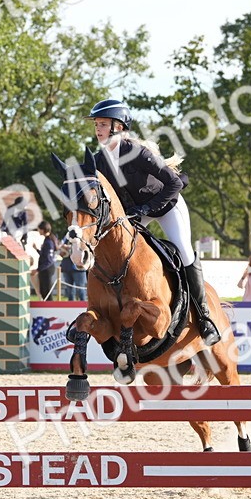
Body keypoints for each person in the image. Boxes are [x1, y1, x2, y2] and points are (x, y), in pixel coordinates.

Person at [87, 98, 220, 345]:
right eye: (97, 125)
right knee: (126, 251)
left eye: (103, 124)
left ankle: (204, 317)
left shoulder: (136, 152)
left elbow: (175, 183)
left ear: (118, 126)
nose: (98, 129)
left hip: (167, 205)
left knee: (184, 250)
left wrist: (146, 208)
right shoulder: (99, 160)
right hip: (137, 212)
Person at [35, 221, 59, 300]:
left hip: (47, 269)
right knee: (43, 292)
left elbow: (48, 260)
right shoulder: (47, 240)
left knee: (47, 292)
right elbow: (45, 255)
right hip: (45, 269)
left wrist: (38, 269)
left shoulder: (48, 242)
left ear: (43, 229)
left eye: (39, 229)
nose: (38, 230)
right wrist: (37, 250)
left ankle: (50, 310)